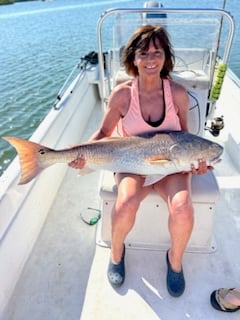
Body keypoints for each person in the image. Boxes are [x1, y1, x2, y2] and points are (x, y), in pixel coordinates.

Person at [69, 25, 210, 297]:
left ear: (166, 57)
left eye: (157, 52)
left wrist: (198, 160)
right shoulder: (122, 95)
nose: (151, 60)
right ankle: (117, 254)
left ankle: (175, 261)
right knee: (124, 204)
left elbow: (184, 135)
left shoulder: (177, 93)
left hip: (171, 165)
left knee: (182, 207)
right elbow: (102, 134)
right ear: (133, 58)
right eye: (143, 53)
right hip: (132, 162)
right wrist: (79, 154)